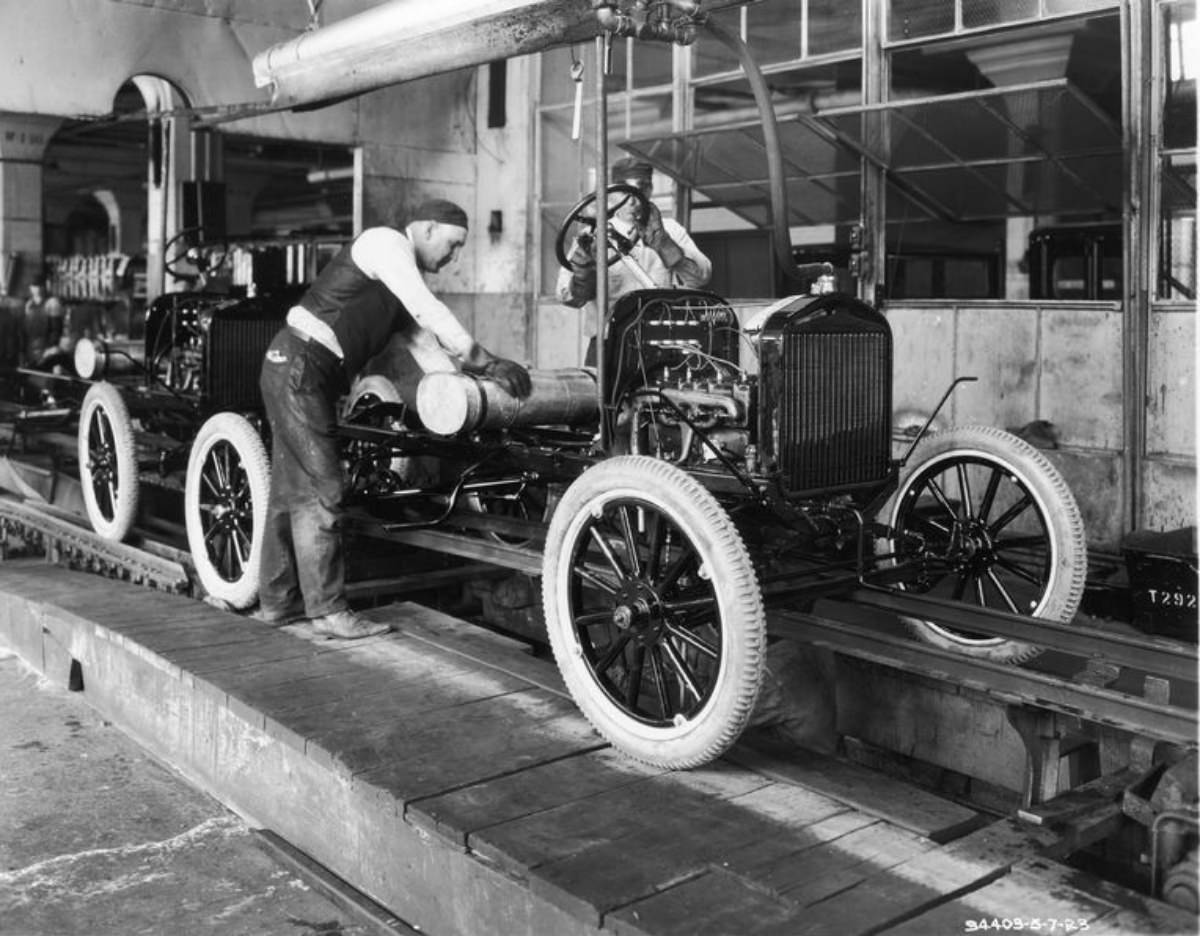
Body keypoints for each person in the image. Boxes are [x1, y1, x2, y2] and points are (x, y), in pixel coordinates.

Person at [256, 198, 532, 639]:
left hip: (299, 368)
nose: (454, 256)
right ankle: (327, 612)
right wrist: (484, 358)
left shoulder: (396, 284)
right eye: (453, 243)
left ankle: (276, 604)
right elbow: (427, 308)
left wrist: (478, 393)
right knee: (324, 488)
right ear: (424, 228)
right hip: (302, 366)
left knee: (290, 492)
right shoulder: (385, 245)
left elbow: (430, 352)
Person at [555, 157, 712, 356]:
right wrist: (583, 275)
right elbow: (568, 298)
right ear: (610, 193)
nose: (633, 200)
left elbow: (700, 278)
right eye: (624, 190)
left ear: (650, 189)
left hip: (661, 342)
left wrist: (665, 245)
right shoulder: (591, 238)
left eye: (641, 188)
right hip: (607, 346)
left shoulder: (671, 230)